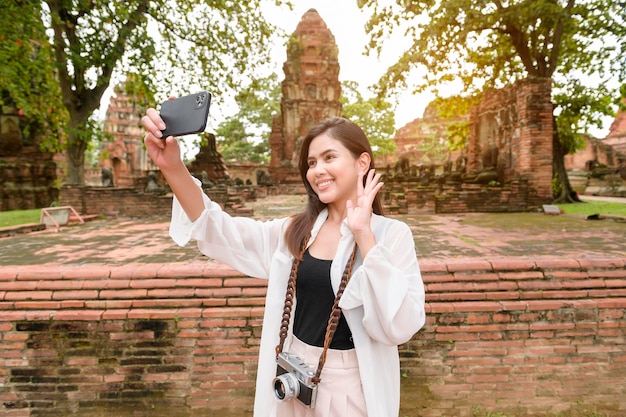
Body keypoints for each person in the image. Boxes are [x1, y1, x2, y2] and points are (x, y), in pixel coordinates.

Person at [141, 110, 426, 417]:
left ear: (362, 162)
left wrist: (363, 235)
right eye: (312, 163)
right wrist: (172, 167)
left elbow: (400, 326)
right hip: (293, 378)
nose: (317, 170)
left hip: (352, 387)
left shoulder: (391, 236)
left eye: (329, 157)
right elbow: (219, 231)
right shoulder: (295, 232)